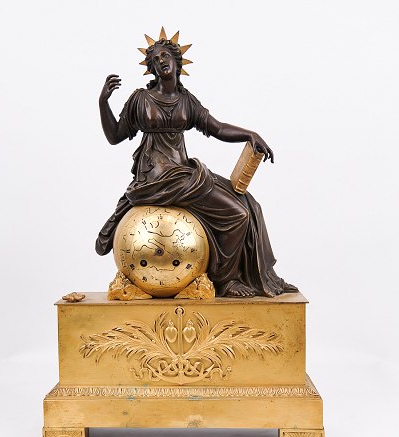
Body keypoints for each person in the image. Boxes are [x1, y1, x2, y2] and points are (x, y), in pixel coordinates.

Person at [95, 35, 297, 298]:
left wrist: (250, 134)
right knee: (238, 214)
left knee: (249, 204)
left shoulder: (186, 100)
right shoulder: (140, 99)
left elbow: (217, 128)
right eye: (154, 59)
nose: (160, 61)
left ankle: (262, 276)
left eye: (165, 56)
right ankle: (226, 281)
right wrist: (103, 103)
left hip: (184, 174)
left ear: (176, 62)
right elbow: (115, 136)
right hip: (156, 178)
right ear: (151, 68)